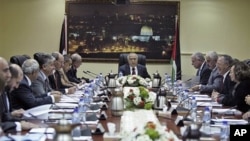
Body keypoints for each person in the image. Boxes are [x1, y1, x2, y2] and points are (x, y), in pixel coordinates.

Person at [0, 57, 38, 132]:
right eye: (5, 71)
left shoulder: (4, 91)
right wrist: (19, 125)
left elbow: (4, 116)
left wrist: (21, 121)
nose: (9, 75)